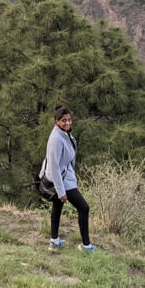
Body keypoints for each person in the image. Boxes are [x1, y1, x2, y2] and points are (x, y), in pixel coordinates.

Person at [40, 104, 94, 252]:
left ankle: (54, 241)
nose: (68, 123)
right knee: (84, 208)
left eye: (69, 120)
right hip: (62, 180)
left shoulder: (63, 133)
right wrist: (61, 191)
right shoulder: (56, 139)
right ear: (57, 121)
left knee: (57, 207)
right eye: (64, 120)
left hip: (65, 176)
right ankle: (86, 245)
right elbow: (54, 166)